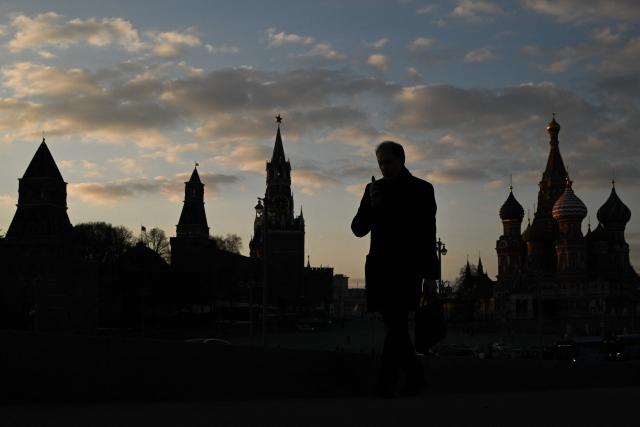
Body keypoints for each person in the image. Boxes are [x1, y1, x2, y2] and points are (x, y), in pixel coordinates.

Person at [351, 140, 438, 397]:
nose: (383, 168)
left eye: (387, 162)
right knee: (395, 326)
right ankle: (409, 378)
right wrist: (373, 208)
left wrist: (431, 276)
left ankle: (389, 382)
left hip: (407, 269)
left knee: (396, 324)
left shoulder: (422, 190)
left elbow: (427, 235)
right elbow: (357, 229)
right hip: (380, 268)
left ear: (401, 160)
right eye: (380, 163)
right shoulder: (373, 190)